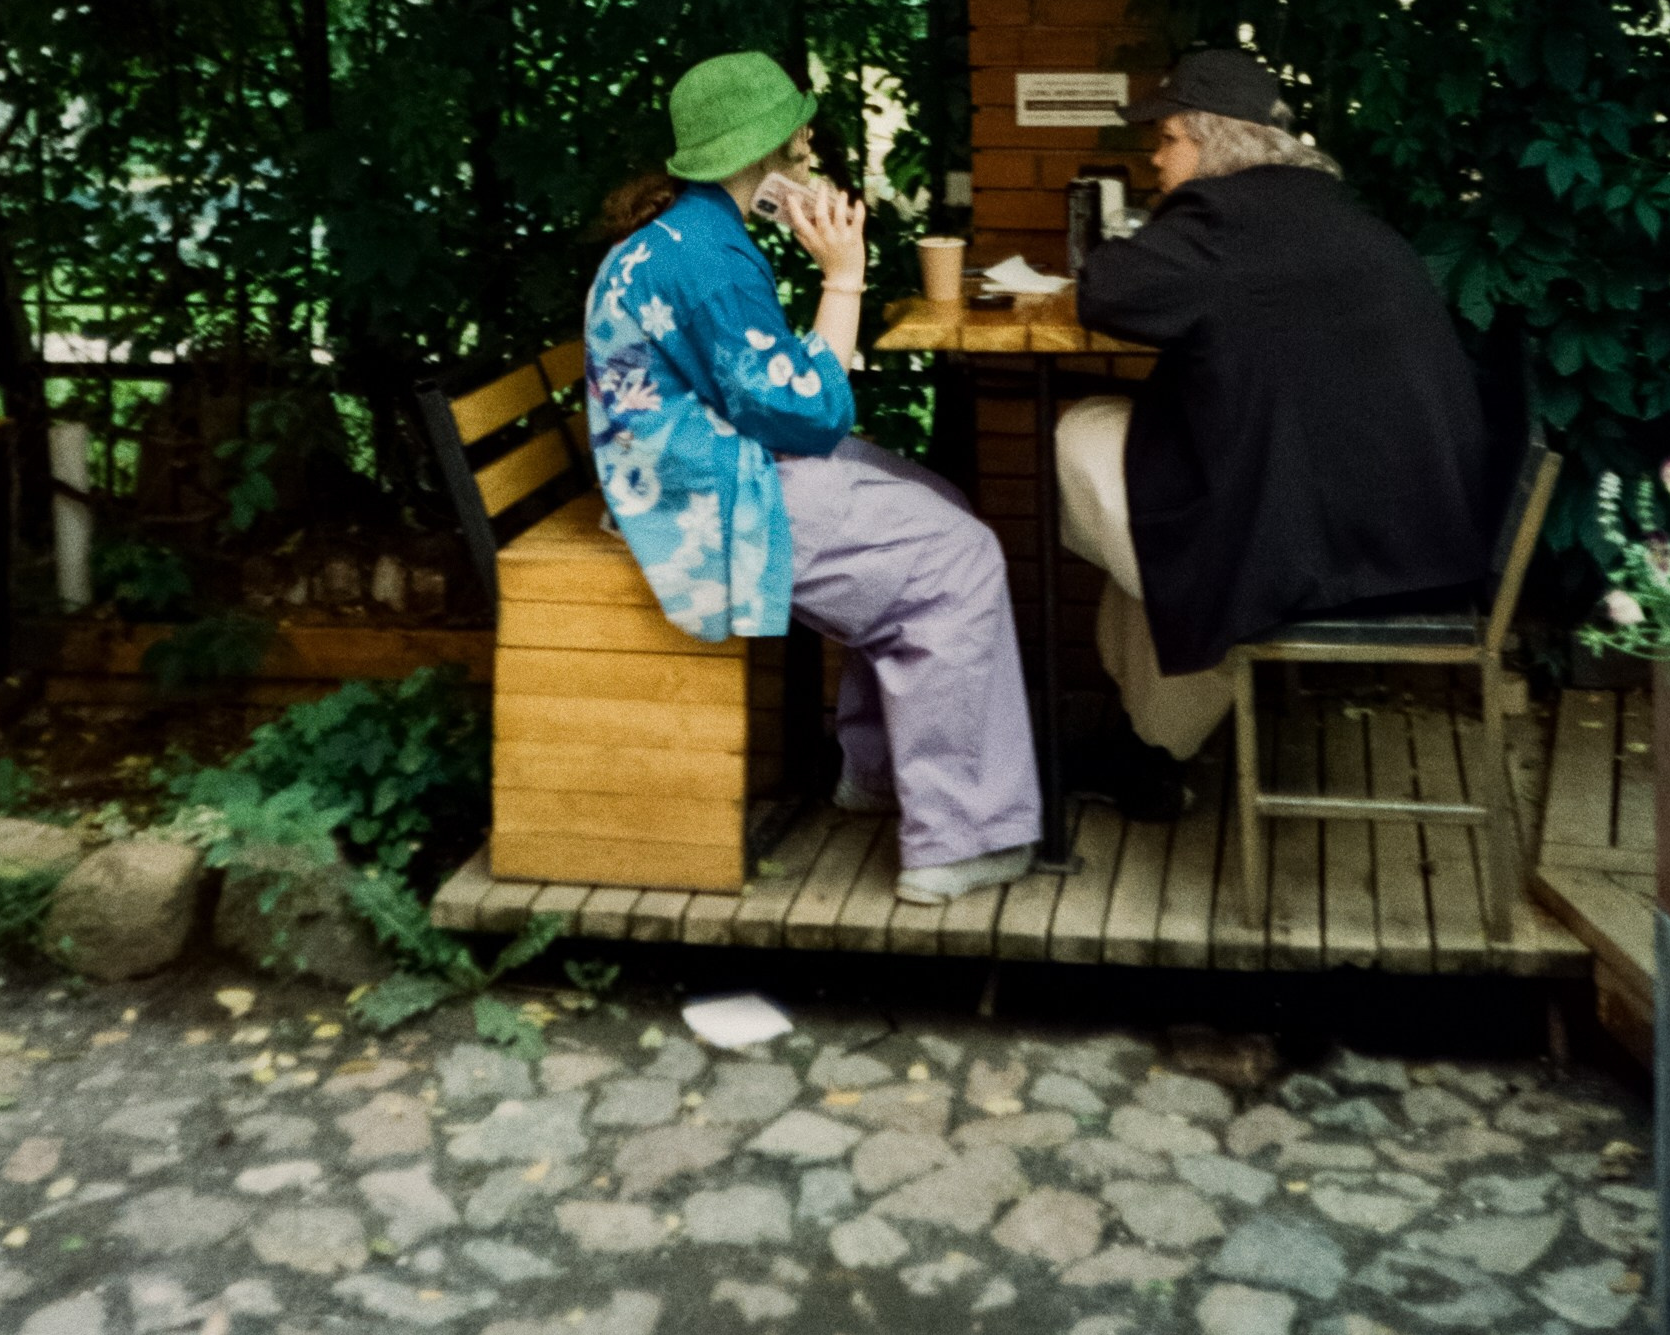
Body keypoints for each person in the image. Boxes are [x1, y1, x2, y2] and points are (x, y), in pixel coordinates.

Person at [586, 49, 1041, 904]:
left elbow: (775, 395)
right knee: (957, 555)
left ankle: (874, 773)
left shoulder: (691, 236)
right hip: (701, 497)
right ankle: (956, 840)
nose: (806, 151)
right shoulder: (711, 263)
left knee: (935, 506)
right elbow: (808, 414)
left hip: (689, 465)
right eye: (796, 141)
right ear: (762, 154)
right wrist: (843, 276)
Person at [1056, 46, 1496, 766]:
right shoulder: (1330, 210)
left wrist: (1140, 225)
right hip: (1414, 543)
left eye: (1167, 140)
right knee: (1156, 533)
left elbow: (1106, 291)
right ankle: (1155, 744)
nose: (1155, 162)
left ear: (1215, 142)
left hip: (1322, 553)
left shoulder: (1221, 215)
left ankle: (1174, 709)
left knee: (1082, 431)